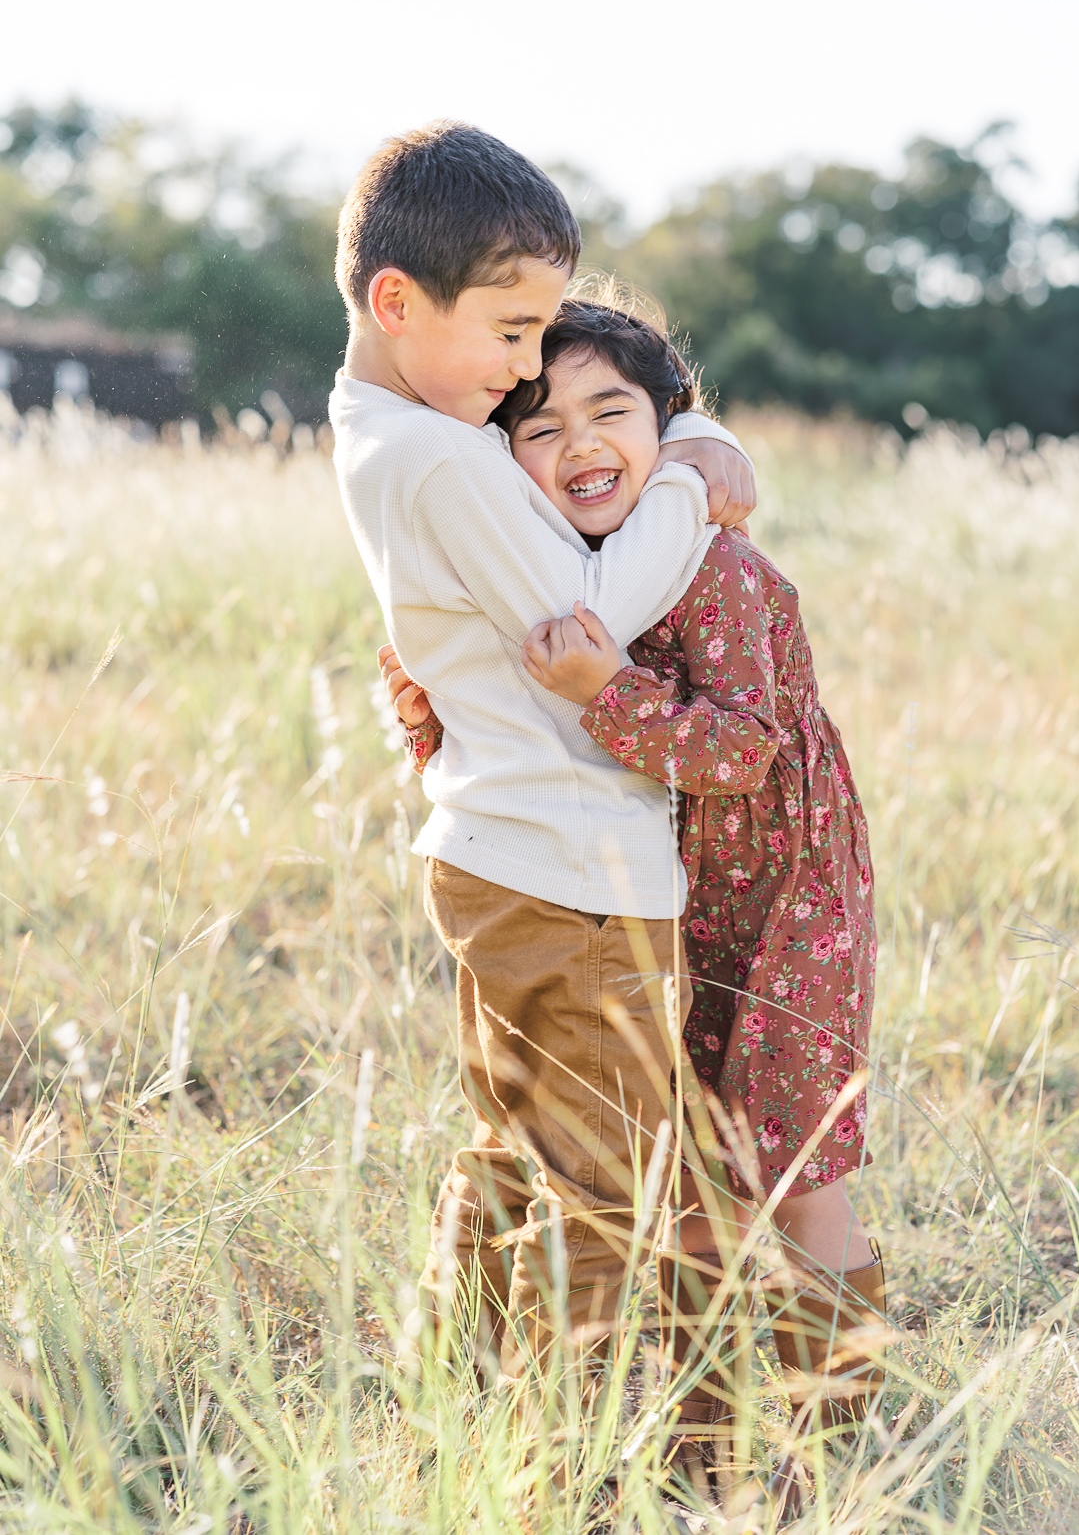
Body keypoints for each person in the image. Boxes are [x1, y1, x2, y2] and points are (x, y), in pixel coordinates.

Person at [387, 296, 888, 1498]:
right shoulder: (557, 562)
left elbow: (746, 755)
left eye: (611, 412)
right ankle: (707, 1453)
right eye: (540, 428)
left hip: (781, 905)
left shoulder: (710, 569)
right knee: (696, 1175)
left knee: (798, 1178)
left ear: (667, 428)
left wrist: (610, 690)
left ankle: (831, 1458)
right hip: (666, 900)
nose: (580, 446)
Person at [329, 121, 756, 1400]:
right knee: (605, 1178)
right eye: (512, 334)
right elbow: (593, 613)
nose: (527, 369)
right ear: (397, 302)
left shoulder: (387, 428)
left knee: (516, 1151)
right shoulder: (442, 459)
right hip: (567, 869)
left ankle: (450, 1398)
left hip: (505, 851)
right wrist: (688, 469)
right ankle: (555, 1455)